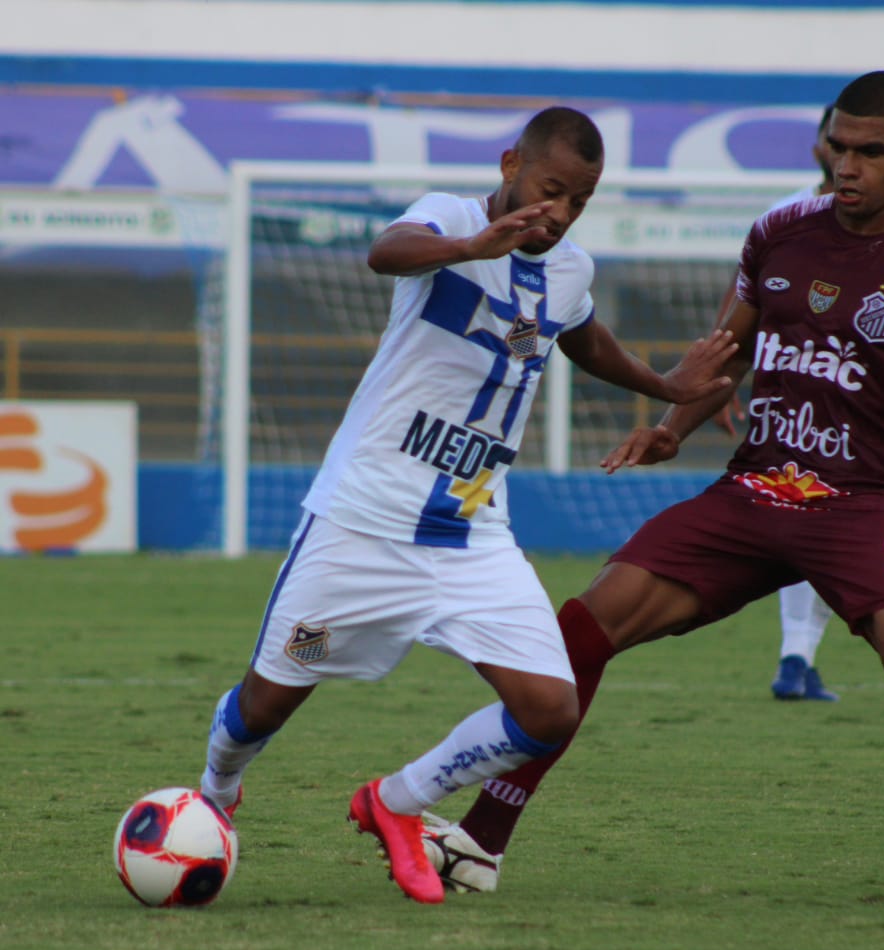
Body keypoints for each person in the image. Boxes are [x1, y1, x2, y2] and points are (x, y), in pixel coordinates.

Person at [422, 71, 884, 902]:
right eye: (838, 148)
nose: (848, 166)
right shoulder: (779, 232)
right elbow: (727, 354)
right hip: (755, 492)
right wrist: (673, 427)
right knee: (582, 629)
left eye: (870, 153)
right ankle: (481, 843)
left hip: (867, 505)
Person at [196, 106, 736, 905]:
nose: (559, 212)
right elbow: (387, 253)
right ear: (512, 162)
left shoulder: (569, 270)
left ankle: (397, 801)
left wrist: (665, 389)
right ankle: (215, 788)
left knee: (550, 709)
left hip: (472, 535)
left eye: (579, 201)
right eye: (551, 189)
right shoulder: (448, 218)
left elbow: (583, 339)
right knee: (266, 700)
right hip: (362, 524)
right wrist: (470, 248)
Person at [711, 104, 840, 702]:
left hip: (870, 400)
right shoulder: (782, 218)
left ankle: (799, 659)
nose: (848, 156)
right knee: (818, 521)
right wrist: (717, 378)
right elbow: (743, 298)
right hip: (797, 397)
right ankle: (796, 657)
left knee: (819, 522)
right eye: (838, 141)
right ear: (819, 146)